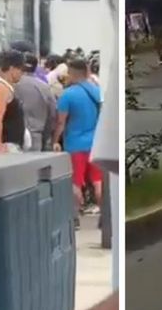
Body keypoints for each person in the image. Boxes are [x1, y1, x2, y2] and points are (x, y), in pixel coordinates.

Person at [54, 59, 104, 215]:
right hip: (95, 143)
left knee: (76, 183)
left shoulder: (67, 95)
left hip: (75, 145)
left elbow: (61, 122)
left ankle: (74, 215)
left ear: (72, 74)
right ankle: (105, 214)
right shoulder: (97, 91)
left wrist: (55, 140)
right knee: (97, 181)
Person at [0, 50, 28, 153]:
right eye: (21, 70)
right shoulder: (0, 88)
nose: (23, 74)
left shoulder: (7, 87)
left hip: (12, 145)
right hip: (5, 146)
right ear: (12, 68)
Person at [15, 53, 58, 151]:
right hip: (36, 136)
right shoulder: (44, 87)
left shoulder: (12, 84)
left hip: (12, 138)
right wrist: (46, 136)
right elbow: (52, 114)